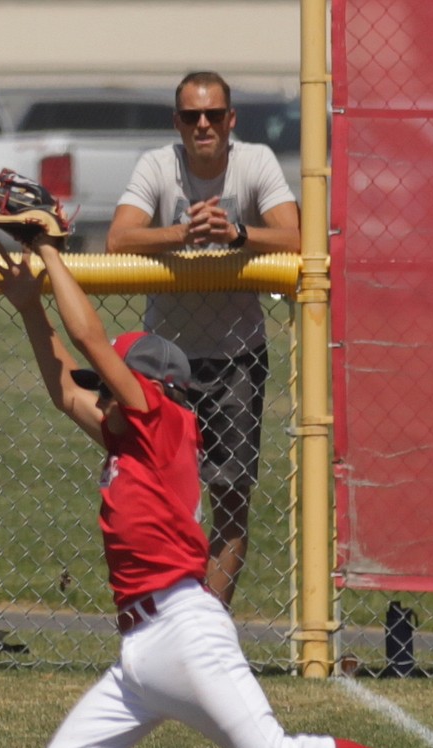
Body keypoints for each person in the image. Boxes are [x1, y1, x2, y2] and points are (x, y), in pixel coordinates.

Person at [0, 232, 433, 748]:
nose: (99, 396)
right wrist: (30, 306)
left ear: (149, 390)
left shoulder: (161, 423)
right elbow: (63, 389)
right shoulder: (128, 439)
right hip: (140, 651)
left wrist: (49, 248)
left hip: (184, 630)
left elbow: (86, 336)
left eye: (110, 385)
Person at [106, 70, 301, 610]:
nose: (203, 125)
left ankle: (204, 627)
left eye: (214, 114)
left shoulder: (255, 162)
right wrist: (182, 233)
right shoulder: (157, 164)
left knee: (231, 503)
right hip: (166, 364)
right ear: (178, 123)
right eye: (192, 116)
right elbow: (118, 238)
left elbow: (300, 236)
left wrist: (238, 234)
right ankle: (167, 620)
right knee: (161, 502)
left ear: (231, 120)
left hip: (238, 357)